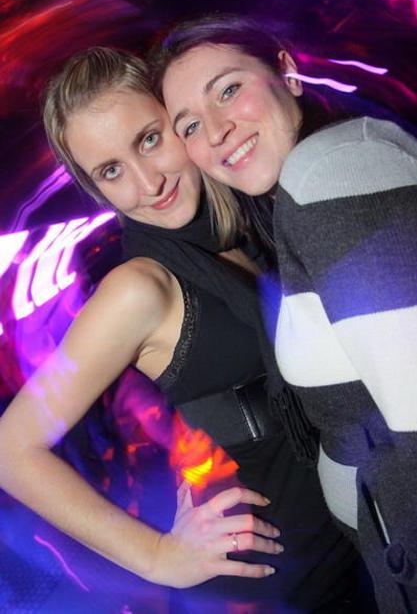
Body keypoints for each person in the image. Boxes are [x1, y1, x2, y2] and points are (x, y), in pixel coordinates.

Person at [0, 46, 363, 613]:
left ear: (176, 117)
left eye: (149, 139)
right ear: (96, 190)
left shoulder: (250, 221)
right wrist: (158, 556)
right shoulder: (138, 289)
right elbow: (11, 450)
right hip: (275, 586)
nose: (148, 182)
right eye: (111, 171)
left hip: (352, 544)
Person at [152, 13, 417, 614]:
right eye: (190, 124)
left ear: (287, 73)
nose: (216, 130)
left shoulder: (332, 173)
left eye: (228, 90)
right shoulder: (296, 197)